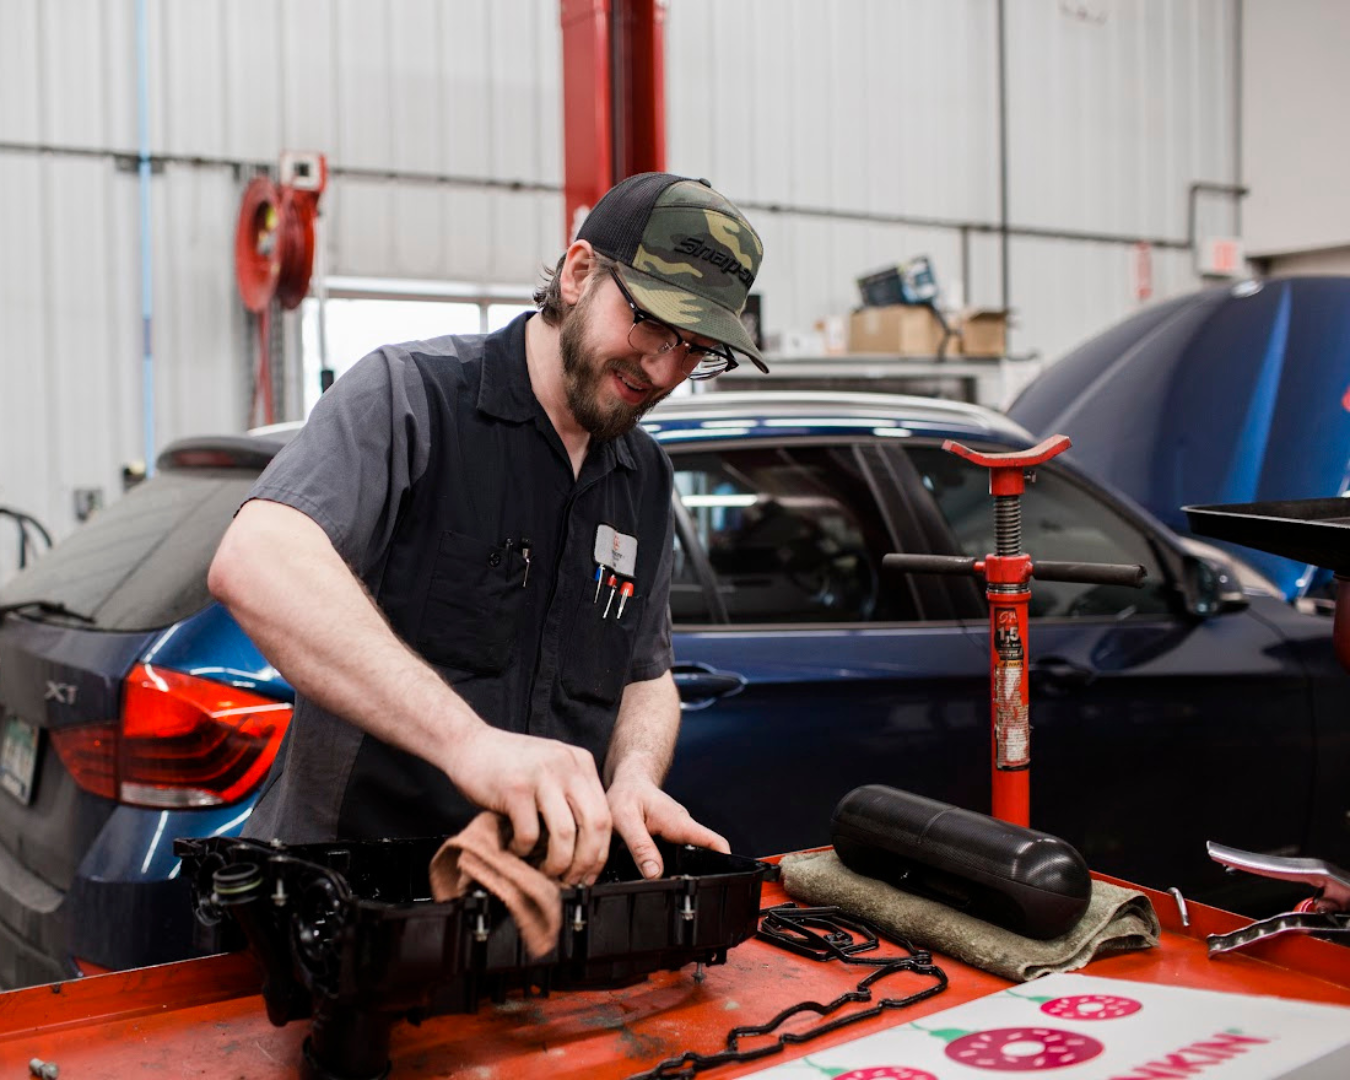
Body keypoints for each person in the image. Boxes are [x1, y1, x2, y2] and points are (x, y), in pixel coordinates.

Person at [208, 172, 768, 888]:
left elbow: (645, 673)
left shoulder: (645, 477)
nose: (664, 368)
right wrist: (467, 743)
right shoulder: (411, 397)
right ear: (578, 273)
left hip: (531, 912)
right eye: (651, 322)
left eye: (694, 347)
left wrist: (632, 775)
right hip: (354, 900)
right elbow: (257, 558)